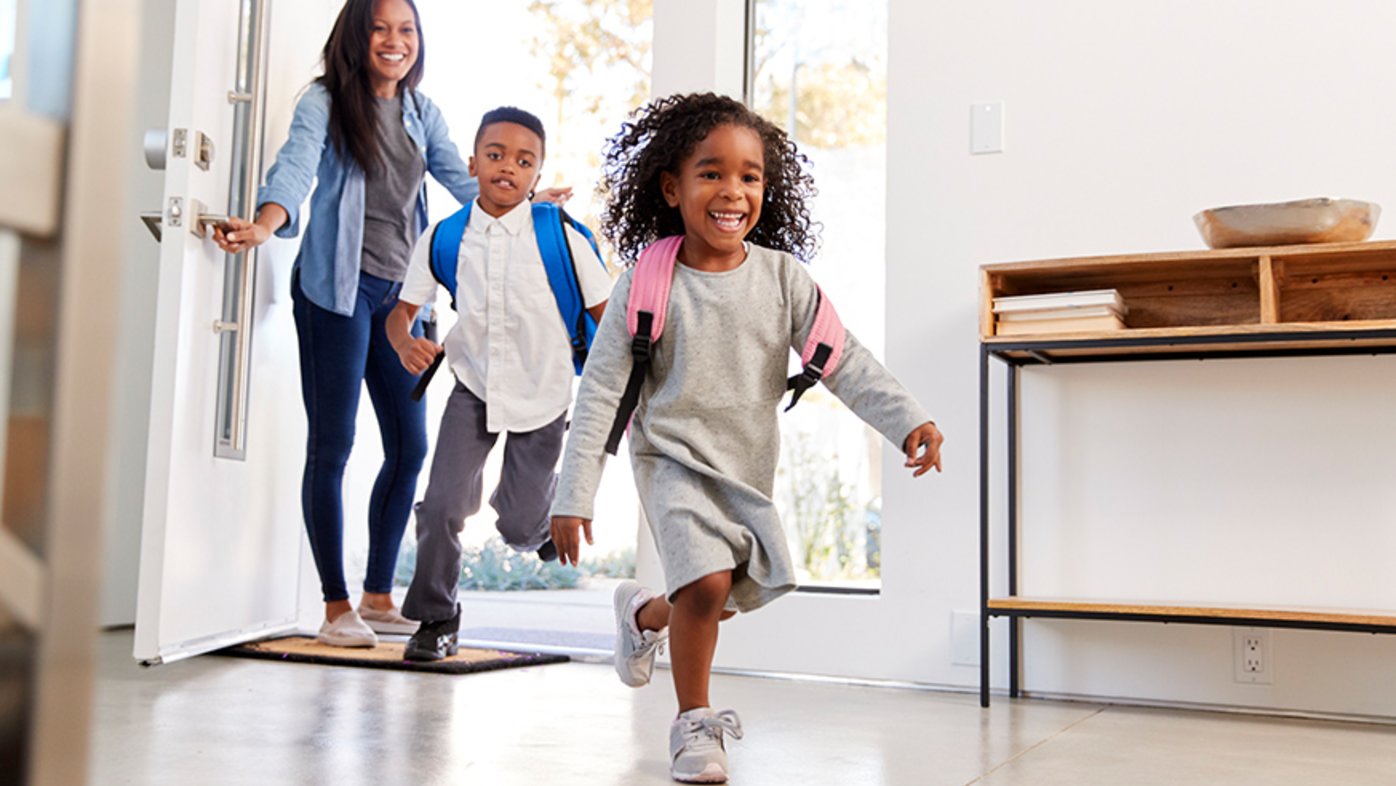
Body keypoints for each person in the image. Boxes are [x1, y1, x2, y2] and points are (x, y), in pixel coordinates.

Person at [548, 92, 944, 784]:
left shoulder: (785, 280)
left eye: (749, 176)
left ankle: (643, 615)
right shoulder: (647, 283)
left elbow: (844, 361)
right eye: (711, 173)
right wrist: (573, 492)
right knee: (703, 581)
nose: (732, 190)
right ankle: (694, 724)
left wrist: (907, 418)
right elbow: (603, 393)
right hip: (669, 457)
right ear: (671, 188)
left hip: (745, 465)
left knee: (715, 593)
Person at [212, 0, 569, 648]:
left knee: (410, 447)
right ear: (358, 34)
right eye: (380, 27)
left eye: (406, 29)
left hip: (404, 300)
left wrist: (525, 200)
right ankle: (334, 606)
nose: (394, 40)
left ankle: (378, 595)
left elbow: (465, 183)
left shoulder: (421, 112)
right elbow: (295, 168)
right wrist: (265, 225)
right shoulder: (325, 101)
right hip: (336, 294)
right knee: (334, 445)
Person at [386, 106, 612, 662]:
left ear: (538, 173)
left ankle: (535, 519)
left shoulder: (561, 237)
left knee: (516, 526)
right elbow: (402, 311)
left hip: (544, 394)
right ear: (472, 162)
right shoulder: (446, 237)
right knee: (441, 505)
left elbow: (608, 317)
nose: (507, 167)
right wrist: (404, 341)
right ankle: (437, 618)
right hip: (474, 386)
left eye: (523, 160)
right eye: (495, 155)